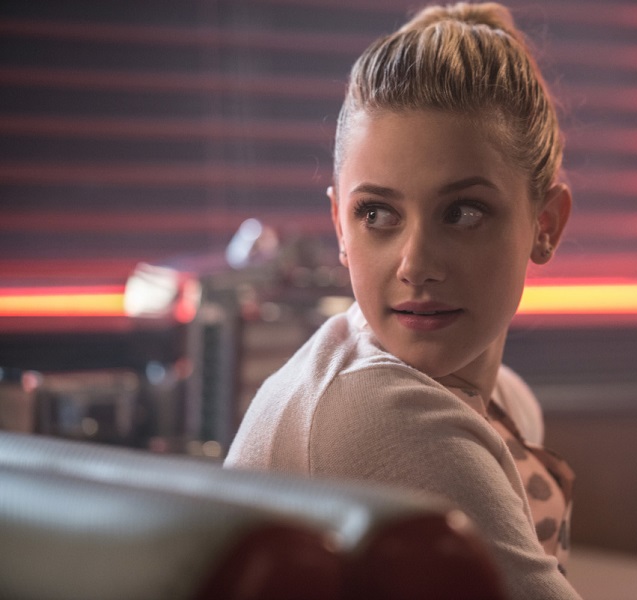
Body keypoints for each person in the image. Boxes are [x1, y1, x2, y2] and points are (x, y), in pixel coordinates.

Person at [225, 3, 579, 598]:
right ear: (339, 227)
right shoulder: (384, 411)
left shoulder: (508, 399)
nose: (415, 264)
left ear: (546, 224)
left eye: (462, 213)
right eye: (377, 213)